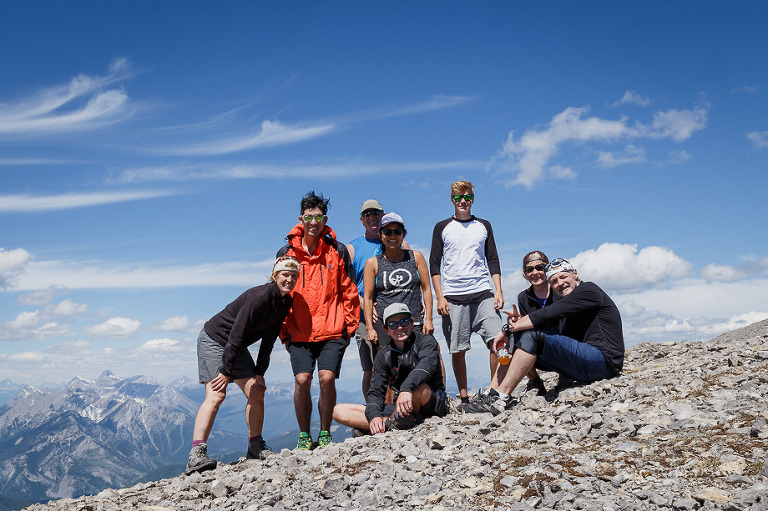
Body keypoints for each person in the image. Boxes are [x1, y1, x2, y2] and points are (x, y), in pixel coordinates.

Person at [185, 256, 300, 475]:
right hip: (215, 339)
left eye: (294, 276)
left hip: (234, 347)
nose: (290, 279)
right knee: (216, 395)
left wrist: (259, 373)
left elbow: (269, 340)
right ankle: (196, 454)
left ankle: (255, 447)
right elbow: (237, 334)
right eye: (285, 275)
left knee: (256, 391)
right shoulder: (258, 297)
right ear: (274, 276)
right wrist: (225, 371)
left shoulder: (285, 302)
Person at [485, 258, 625, 416]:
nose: (560, 283)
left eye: (563, 277)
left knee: (531, 334)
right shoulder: (568, 301)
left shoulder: (588, 291)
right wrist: (516, 327)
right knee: (521, 335)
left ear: (575, 274)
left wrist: (506, 330)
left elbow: (547, 314)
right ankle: (493, 392)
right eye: (554, 281)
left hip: (604, 362)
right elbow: (549, 328)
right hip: (585, 362)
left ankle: (503, 395)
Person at [276, 191, 360, 450]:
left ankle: (324, 433)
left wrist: (348, 328)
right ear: (301, 218)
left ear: (325, 219)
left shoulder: (338, 250)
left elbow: (349, 290)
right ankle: (304, 435)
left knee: (326, 378)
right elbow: (279, 291)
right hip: (299, 331)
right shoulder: (287, 252)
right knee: (302, 380)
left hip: (333, 329)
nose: (314, 222)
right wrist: (283, 332)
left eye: (319, 217)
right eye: (309, 217)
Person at [429, 180, 504, 404]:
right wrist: (439, 296)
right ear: (452, 200)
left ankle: (495, 390)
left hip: (483, 292)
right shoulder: (441, 227)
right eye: (459, 197)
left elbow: (493, 258)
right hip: (453, 296)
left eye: (468, 197)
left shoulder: (484, 225)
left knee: (498, 341)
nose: (463, 201)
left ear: (473, 199)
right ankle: (463, 397)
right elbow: (434, 263)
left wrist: (498, 291)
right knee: (458, 348)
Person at [459, 251, 559, 413]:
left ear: (547, 269)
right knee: (516, 337)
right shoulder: (524, 297)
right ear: (524, 274)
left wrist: (515, 327)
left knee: (518, 334)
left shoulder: (558, 291)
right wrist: (517, 323)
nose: (535, 273)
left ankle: (495, 392)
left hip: (560, 345)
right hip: (537, 349)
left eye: (539, 267)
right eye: (529, 269)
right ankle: (505, 387)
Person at [332, 303, 449, 434]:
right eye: (393, 325)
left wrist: (407, 388)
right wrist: (374, 415)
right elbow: (376, 391)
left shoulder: (426, 341)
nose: (399, 328)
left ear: (411, 323)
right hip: (398, 407)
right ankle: (392, 423)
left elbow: (427, 365)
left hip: (430, 401)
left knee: (420, 389)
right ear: (386, 330)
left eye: (404, 322)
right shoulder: (384, 355)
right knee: (339, 411)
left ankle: (384, 425)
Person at [347, 200, 410, 397]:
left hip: (396, 313)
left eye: (376, 213)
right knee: (370, 368)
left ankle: (394, 410)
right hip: (364, 318)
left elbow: (410, 276)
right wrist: (366, 305)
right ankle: (372, 411)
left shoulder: (397, 242)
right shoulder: (352, 248)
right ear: (361, 220)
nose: (372, 217)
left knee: (397, 364)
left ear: (383, 215)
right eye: (367, 214)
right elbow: (346, 286)